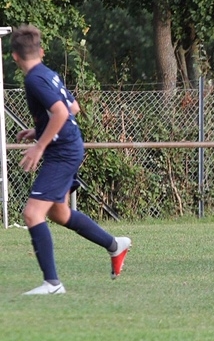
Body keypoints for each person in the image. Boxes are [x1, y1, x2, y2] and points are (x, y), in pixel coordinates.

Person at [11, 24, 131, 295]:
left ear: (15, 57)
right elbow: (72, 107)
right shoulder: (48, 74)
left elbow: (62, 113)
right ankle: (115, 245)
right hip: (69, 147)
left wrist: (39, 146)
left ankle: (52, 284)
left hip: (62, 152)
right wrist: (39, 131)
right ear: (41, 52)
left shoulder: (33, 80)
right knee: (59, 212)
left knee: (32, 214)